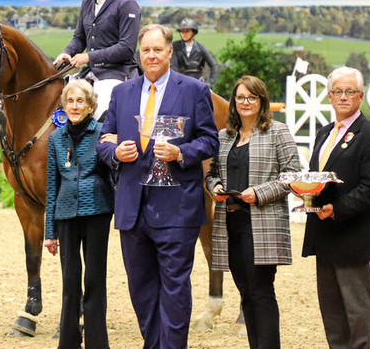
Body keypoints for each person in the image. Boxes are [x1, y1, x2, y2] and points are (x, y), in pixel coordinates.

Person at [97, 24, 219, 348]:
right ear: (140, 53)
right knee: (141, 289)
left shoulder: (194, 90)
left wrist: (182, 152)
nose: (151, 55)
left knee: (175, 289)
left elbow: (210, 140)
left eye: (157, 49)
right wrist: (115, 153)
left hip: (177, 207)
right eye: (145, 50)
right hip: (132, 209)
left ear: (169, 52)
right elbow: (104, 140)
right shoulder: (122, 93)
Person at [205, 75, 300, 349]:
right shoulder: (224, 136)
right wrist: (216, 185)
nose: (245, 102)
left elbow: (291, 175)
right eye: (240, 97)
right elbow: (211, 173)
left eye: (251, 97)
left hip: (262, 225)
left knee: (261, 292)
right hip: (230, 225)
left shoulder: (277, 132)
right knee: (245, 294)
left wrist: (259, 193)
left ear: (261, 101)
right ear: (234, 102)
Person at [302, 66, 370, 349]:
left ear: (361, 96)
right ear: (329, 96)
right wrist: (304, 193)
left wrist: (336, 209)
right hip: (323, 233)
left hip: (351, 235)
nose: (343, 96)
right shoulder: (324, 132)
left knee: (356, 313)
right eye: (337, 91)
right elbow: (317, 177)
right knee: (332, 313)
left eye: (349, 91)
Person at [44, 79, 115, 349]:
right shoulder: (54, 139)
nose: (75, 106)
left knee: (95, 279)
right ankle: (69, 342)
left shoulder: (102, 134)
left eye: (80, 101)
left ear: (91, 105)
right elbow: (53, 185)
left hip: (97, 211)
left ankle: (97, 343)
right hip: (65, 215)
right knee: (70, 281)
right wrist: (50, 232)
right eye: (70, 101)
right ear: (64, 106)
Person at [53, 0, 140, 120]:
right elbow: (79, 38)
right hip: (90, 73)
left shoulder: (127, 3)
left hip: (117, 73)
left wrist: (89, 57)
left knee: (101, 111)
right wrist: (67, 52)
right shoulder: (87, 1)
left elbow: (127, 48)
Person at [171, 18, 219, 87]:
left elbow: (213, 65)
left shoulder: (200, 47)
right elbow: (174, 67)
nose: (184, 34)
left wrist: (211, 83)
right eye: (182, 31)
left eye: (187, 31)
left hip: (197, 84)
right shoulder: (175, 46)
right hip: (181, 84)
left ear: (193, 32)